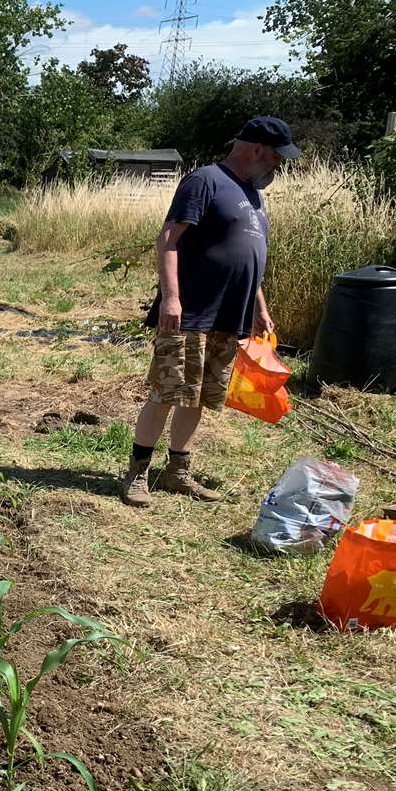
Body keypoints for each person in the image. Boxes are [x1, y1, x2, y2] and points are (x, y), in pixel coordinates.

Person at [121, 115, 301, 507]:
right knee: (167, 393)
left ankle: (177, 473)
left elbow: (247, 257)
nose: (278, 166)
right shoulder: (205, 181)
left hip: (228, 318)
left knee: (200, 397)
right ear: (256, 149)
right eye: (276, 158)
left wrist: (260, 307)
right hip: (191, 312)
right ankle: (137, 474)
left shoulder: (254, 195)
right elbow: (168, 239)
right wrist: (172, 299)